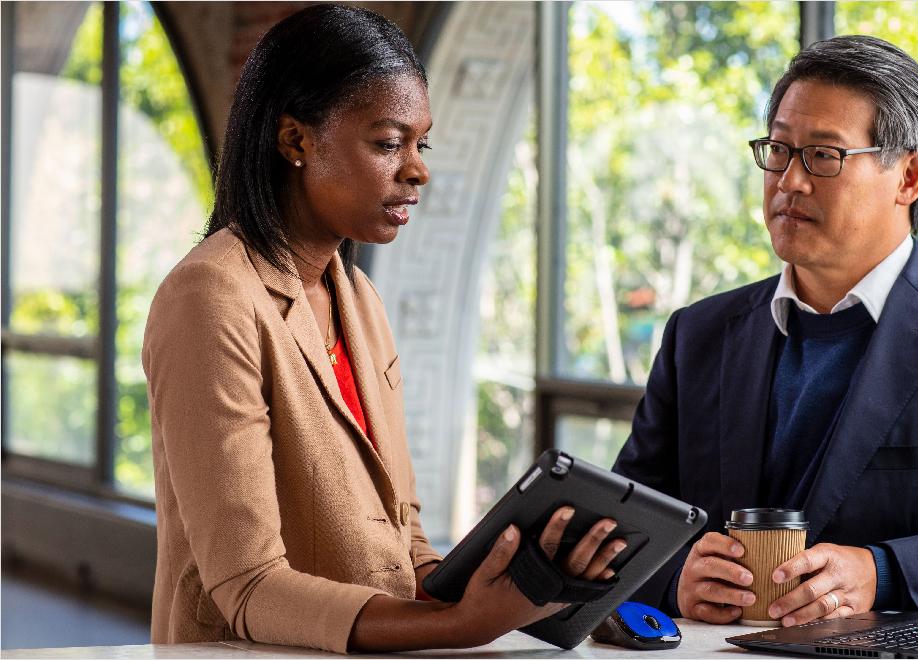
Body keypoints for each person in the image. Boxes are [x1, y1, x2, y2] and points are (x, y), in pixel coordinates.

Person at [143, 5, 624, 653]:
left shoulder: (359, 299)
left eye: (421, 145)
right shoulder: (210, 296)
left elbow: (402, 540)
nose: (418, 169)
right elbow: (248, 587)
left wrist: (519, 588)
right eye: (389, 143)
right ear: (295, 141)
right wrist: (462, 624)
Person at [612, 35, 918, 628]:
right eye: (779, 150)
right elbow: (622, 525)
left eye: (823, 156)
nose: (790, 181)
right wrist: (674, 576)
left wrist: (883, 572)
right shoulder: (699, 335)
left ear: (909, 177)